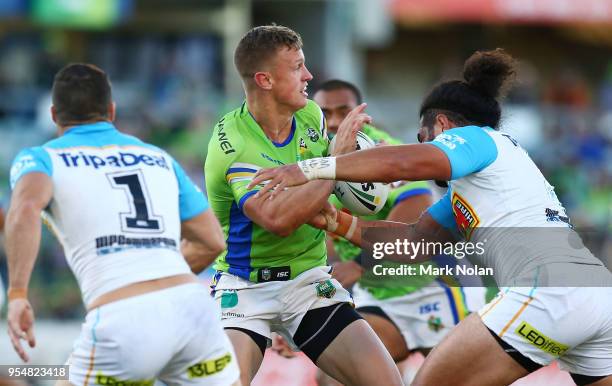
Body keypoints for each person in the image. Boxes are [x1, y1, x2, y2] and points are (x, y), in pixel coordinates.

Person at [249, 49, 612, 386]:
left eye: (424, 138)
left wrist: (312, 169)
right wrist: (337, 222)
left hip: (547, 291)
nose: (423, 144)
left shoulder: (477, 138)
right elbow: (412, 243)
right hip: (595, 294)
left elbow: (401, 163)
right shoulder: (475, 186)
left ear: (440, 126)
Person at [6, 63, 240, 386]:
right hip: (193, 311)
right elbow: (213, 241)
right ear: (112, 110)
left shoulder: (41, 158)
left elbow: (25, 209)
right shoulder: (160, 158)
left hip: (123, 319)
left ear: (54, 114)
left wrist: (18, 293)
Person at [204, 25, 402, 386]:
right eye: (297, 67)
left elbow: (318, 202)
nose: (309, 76)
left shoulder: (311, 115)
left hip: (308, 283)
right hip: (245, 289)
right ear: (264, 79)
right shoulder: (233, 143)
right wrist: (334, 162)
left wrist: (364, 169)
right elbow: (277, 219)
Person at [312, 80, 479, 384]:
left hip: (435, 287)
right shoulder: (312, 159)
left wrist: (359, 266)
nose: (335, 121)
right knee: (334, 376)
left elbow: (413, 231)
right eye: (325, 112)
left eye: (343, 111)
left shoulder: (384, 154)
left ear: (360, 115)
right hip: (380, 296)